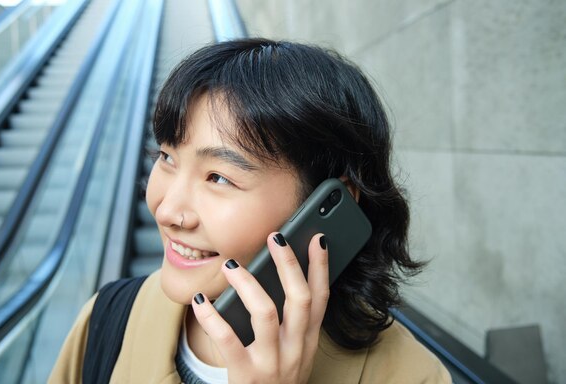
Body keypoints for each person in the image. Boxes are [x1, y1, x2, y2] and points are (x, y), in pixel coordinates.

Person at [50, 38, 452, 383]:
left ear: (327, 201)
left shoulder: (410, 374)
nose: (168, 210)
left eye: (219, 178)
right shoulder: (108, 320)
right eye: (167, 157)